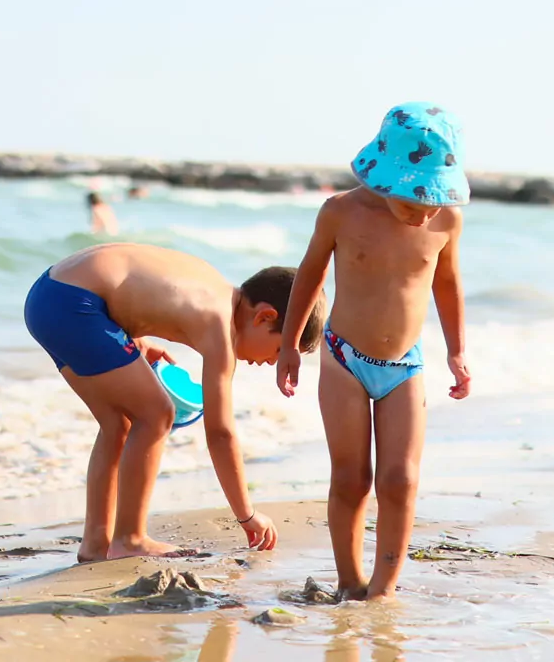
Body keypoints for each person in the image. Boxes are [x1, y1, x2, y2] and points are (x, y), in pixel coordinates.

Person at [275, 102, 472, 601]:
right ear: (386, 178)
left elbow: (446, 284)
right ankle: (349, 580)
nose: (424, 213)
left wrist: (457, 351)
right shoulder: (341, 211)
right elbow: (311, 274)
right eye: (413, 201)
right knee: (352, 477)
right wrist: (291, 344)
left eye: (433, 201)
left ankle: (383, 591)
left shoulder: (445, 220)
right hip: (344, 358)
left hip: (405, 365)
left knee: (401, 479)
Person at [24, 243, 327, 562]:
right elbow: (221, 434)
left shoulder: (212, 284)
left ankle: (97, 544)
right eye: (280, 350)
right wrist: (247, 514)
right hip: (76, 305)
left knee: (118, 424)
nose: (271, 363)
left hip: (50, 295)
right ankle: (130, 538)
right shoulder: (220, 329)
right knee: (156, 414)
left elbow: (133, 283)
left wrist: (134, 339)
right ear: (265, 316)